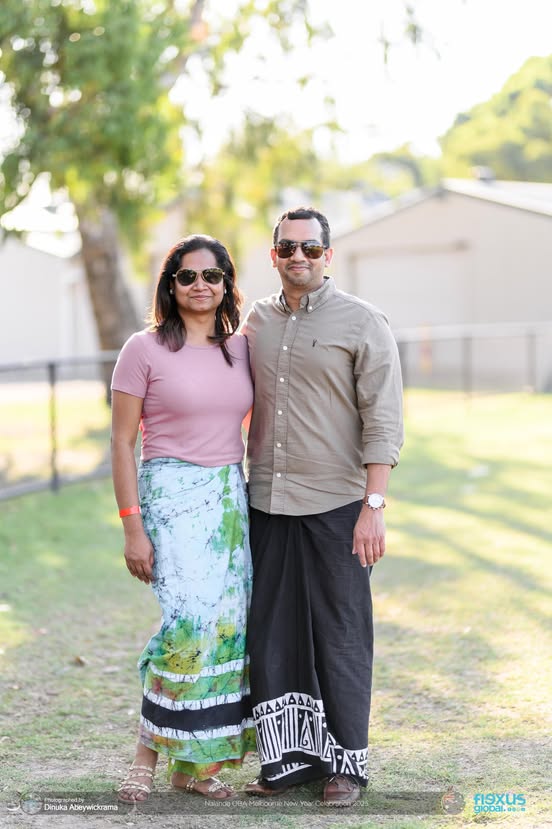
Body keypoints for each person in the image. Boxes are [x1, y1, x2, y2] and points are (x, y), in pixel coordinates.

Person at [241, 207, 404, 807]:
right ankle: (288, 762)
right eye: (288, 248)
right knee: (275, 634)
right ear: (274, 254)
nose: (299, 258)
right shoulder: (254, 321)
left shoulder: (363, 322)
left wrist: (374, 504)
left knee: (340, 633)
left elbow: (383, 421)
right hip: (267, 503)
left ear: (328, 255)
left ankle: (346, 765)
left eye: (311, 248)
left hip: (338, 505)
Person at [111, 234, 256, 804]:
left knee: (226, 631)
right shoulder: (142, 350)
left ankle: (195, 767)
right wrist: (132, 526)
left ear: (227, 284)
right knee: (185, 627)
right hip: (171, 500)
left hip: (229, 500)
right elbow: (122, 444)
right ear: (170, 286)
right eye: (188, 276)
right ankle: (145, 758)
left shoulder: (242, 348)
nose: (202, 286)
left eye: (213, 275)